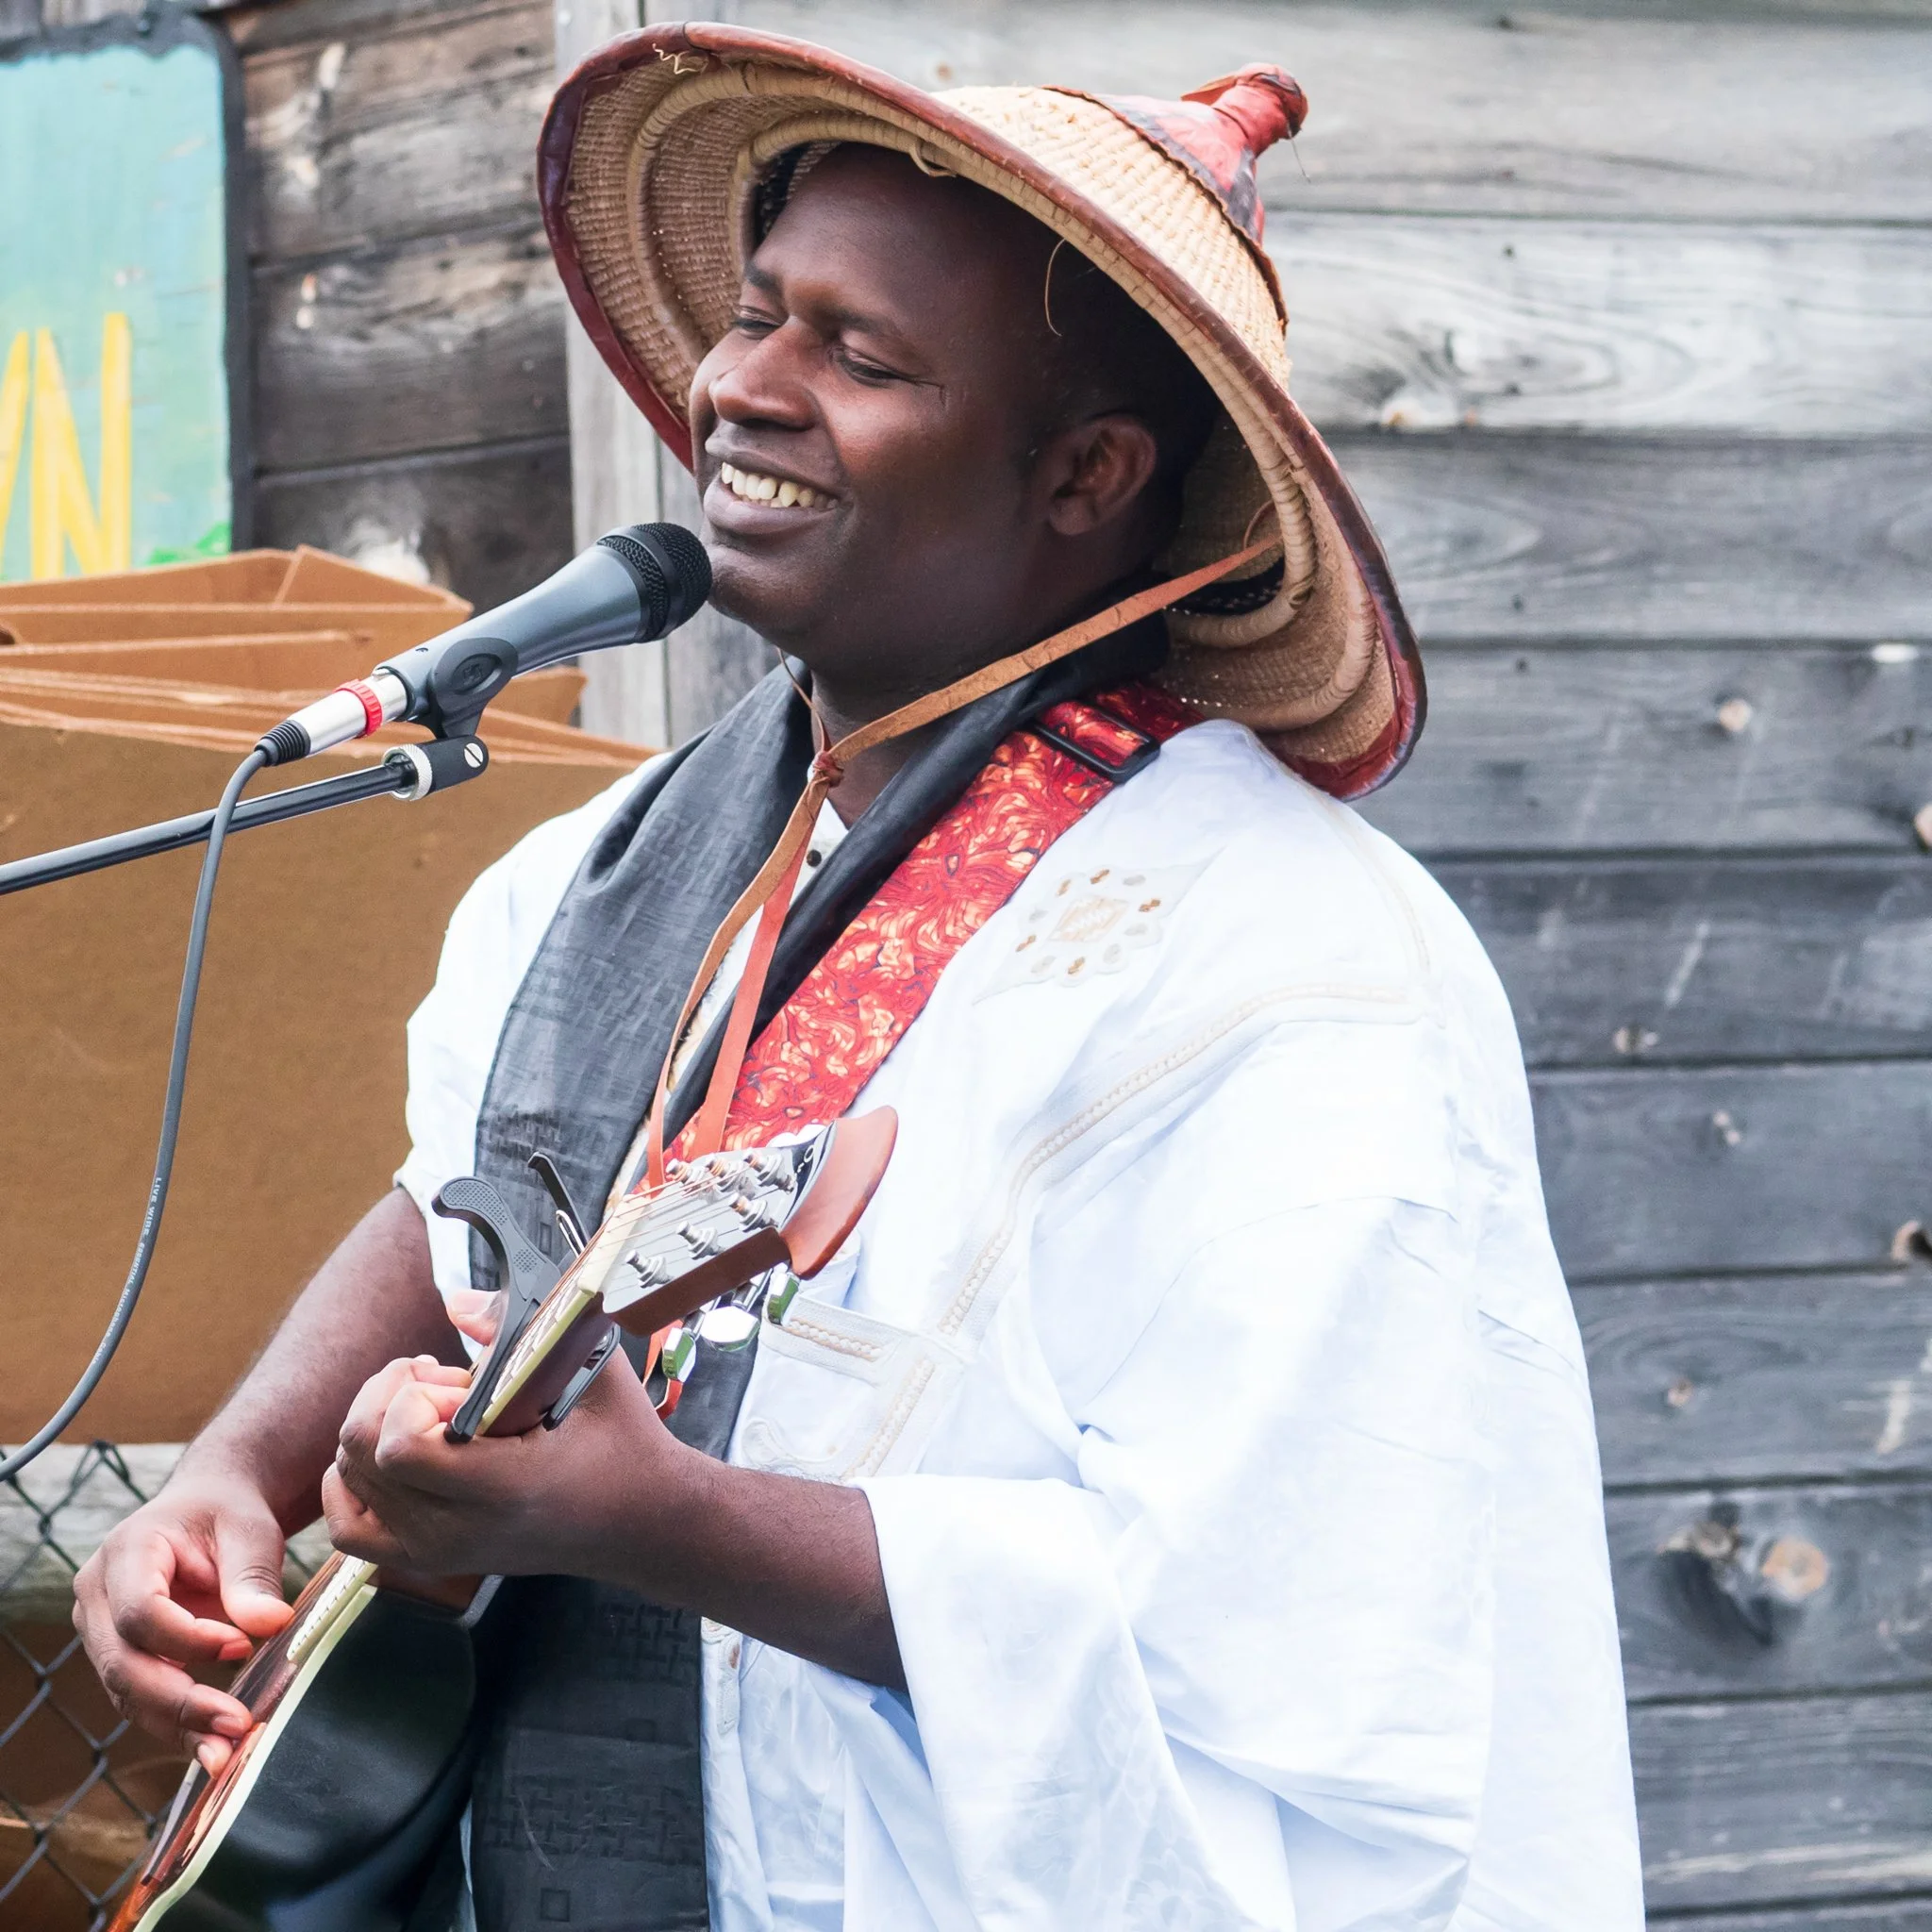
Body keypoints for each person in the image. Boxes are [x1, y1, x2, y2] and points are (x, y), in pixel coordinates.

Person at [75, 29, 1644, 1931]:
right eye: (756, 318)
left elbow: (1281, 1643)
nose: (745, 386)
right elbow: (465, 1200)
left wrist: (661, 1524)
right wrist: (229, 1477)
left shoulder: (1293, 962)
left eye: (863, 355)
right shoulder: (600, 865)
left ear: (1086, 472)